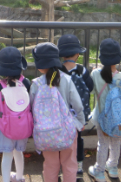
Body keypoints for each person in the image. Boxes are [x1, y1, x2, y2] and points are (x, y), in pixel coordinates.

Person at [29, 42, 85, 182]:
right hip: (68, 129)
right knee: (70, 164)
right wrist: (80, 123)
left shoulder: (36, 84)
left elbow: (31, 108)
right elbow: (77, 105)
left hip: (46, 132)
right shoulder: (66, 79)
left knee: (50, 165)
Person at [88, 39, 121, 182]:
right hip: (118, 118)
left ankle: (99, 171)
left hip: (101, 117)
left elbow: (92, 91)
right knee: (116, 143)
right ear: (118, 58)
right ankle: (112, 168)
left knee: (103, 143)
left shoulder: (95, 74)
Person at [0, 47, 31, 182]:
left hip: (6, 127)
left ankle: (6, 180)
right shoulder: (25, 83)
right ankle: (19, 177)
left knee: (7, 156)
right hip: (23, 125)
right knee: (18, 152)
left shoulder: (1, 86)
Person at [57, 34, 92, 180]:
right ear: (77, 54)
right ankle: (78, 168)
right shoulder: (82, 70)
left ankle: (60, 169)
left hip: (61, 114)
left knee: (60, 141)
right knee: (77, 139)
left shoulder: (57, 70)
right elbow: (89, 87)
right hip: (78, 115)